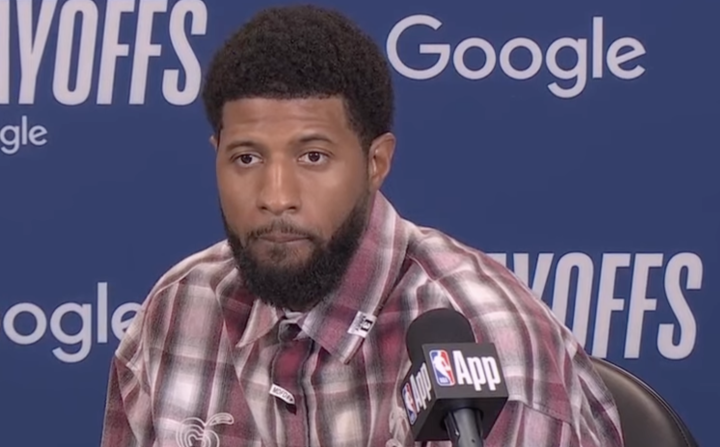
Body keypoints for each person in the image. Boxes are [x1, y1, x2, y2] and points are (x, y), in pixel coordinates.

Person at [100, 4, 624, 447]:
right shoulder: (174, 312)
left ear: (376, 163)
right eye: (246, 158)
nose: (275, 197)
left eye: (312, 156)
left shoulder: (485, 347)